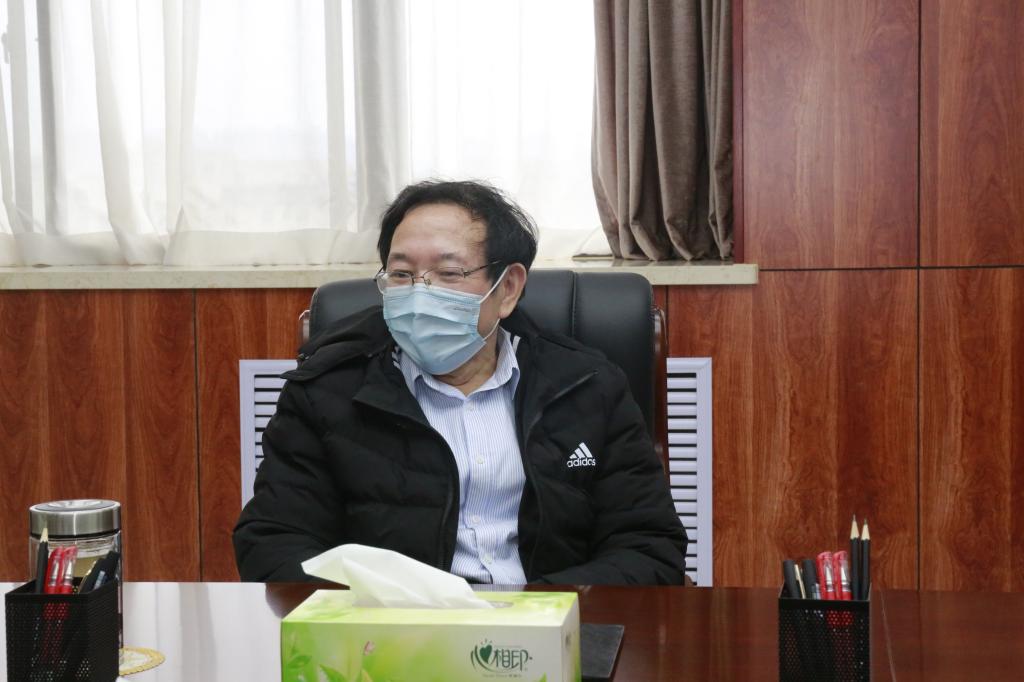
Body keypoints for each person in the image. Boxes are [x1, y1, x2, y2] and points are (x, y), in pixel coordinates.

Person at [233, 180, 687, 584]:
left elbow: (647, 545)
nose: (419, 294)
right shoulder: (324, 391)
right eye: (401, 274)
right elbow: (275, 543)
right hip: (392, 638)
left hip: (554, 627)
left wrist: (541, 613)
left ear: (507, 288)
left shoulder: (588, 387)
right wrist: (389, 610)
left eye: (449, 273)